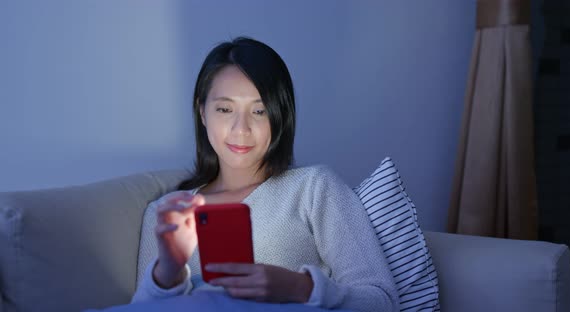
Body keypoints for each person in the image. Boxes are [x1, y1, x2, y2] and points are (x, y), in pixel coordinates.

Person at [131, 37, 399, 312]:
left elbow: (383, 301)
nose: (241, 128)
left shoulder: (314, 188)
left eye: (259, 111)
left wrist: (299, 287)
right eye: (224, 109)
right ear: (202, 111)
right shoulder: (166, 214)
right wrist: (169, 272)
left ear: (280, 116)